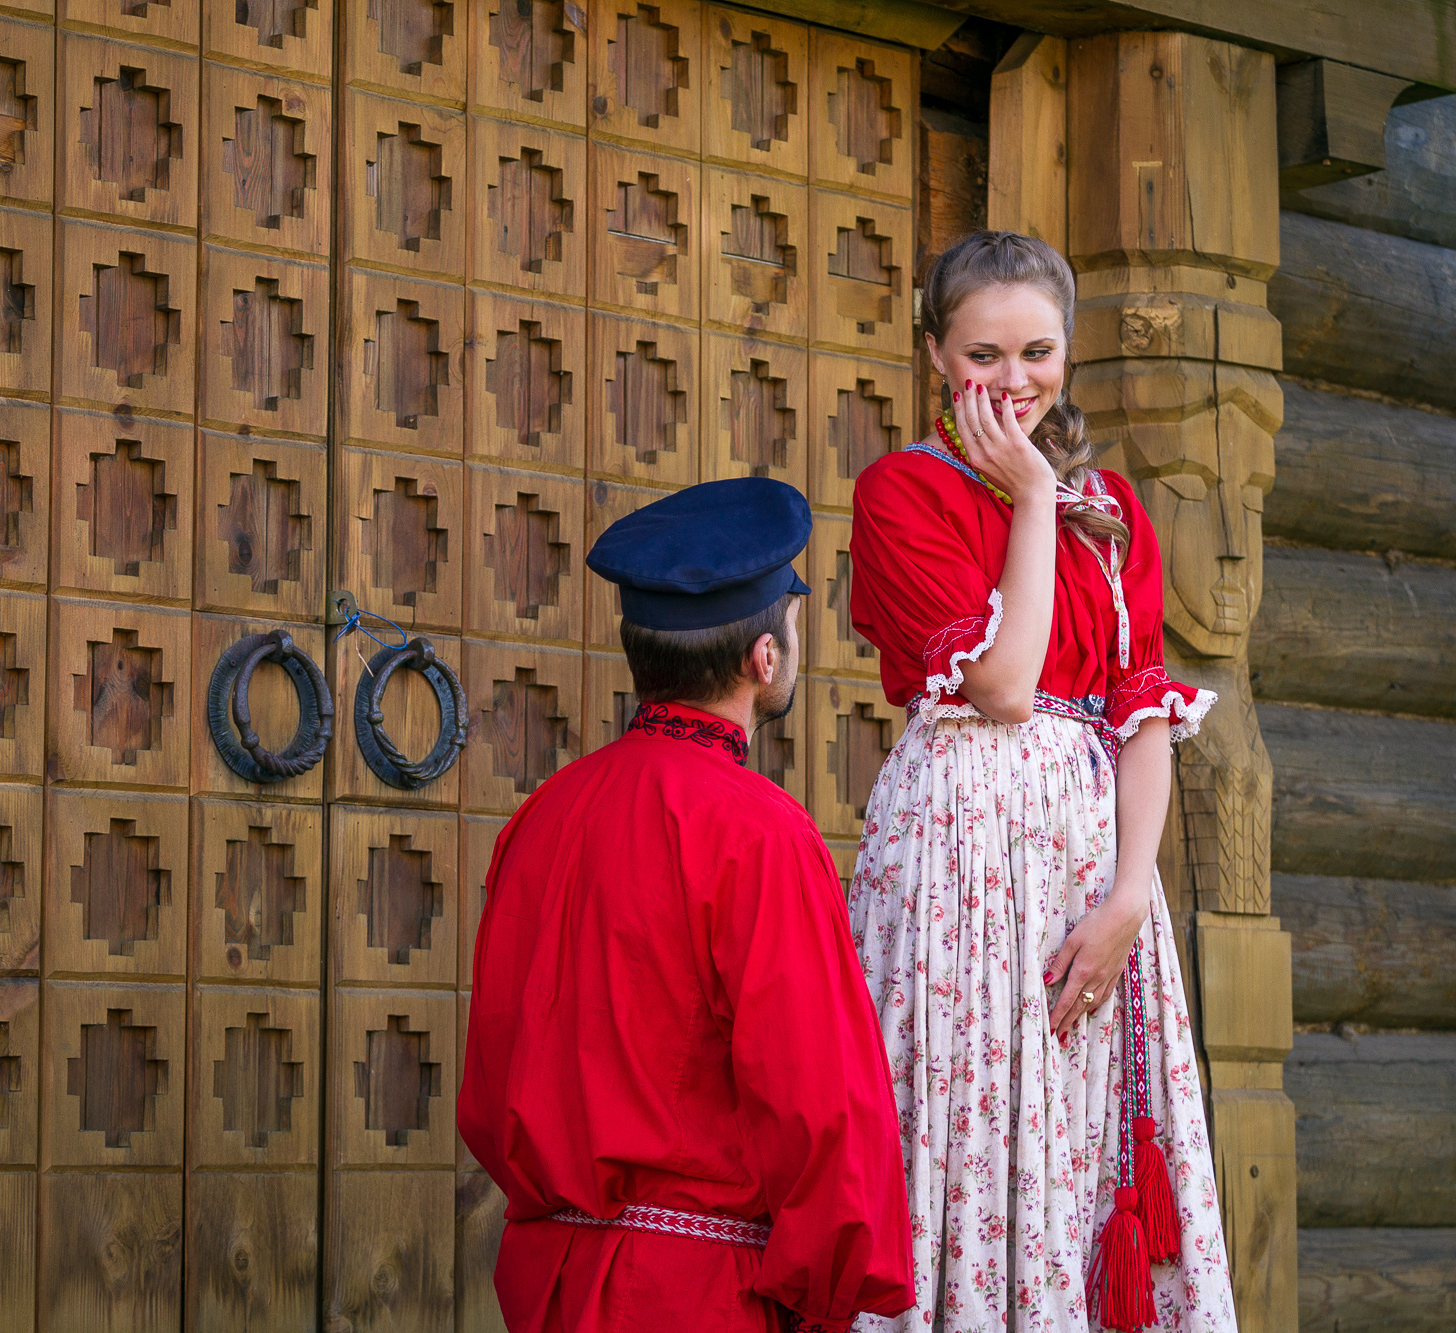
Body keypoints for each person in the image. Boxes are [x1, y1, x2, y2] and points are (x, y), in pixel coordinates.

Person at [845, 231, 1237, 1332]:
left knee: (1085, 1138)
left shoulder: (1111, 510)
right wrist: (1027, 496)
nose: (1012, 382)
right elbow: (1007, 686)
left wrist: (1126, 898)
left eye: (1037, 353)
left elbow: (1142, 712)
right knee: (967, 1132)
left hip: (1090, 868)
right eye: (982, 355)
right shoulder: (898, 493)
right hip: (960, 856)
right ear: (931, 351)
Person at [458, 477, 917, 1333]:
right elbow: (820, 1107)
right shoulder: (763, 834)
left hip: (554, 1284)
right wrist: (823, 1298)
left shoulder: (543, 814)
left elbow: (491, 1081)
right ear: (764, 659)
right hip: (699, 1297)